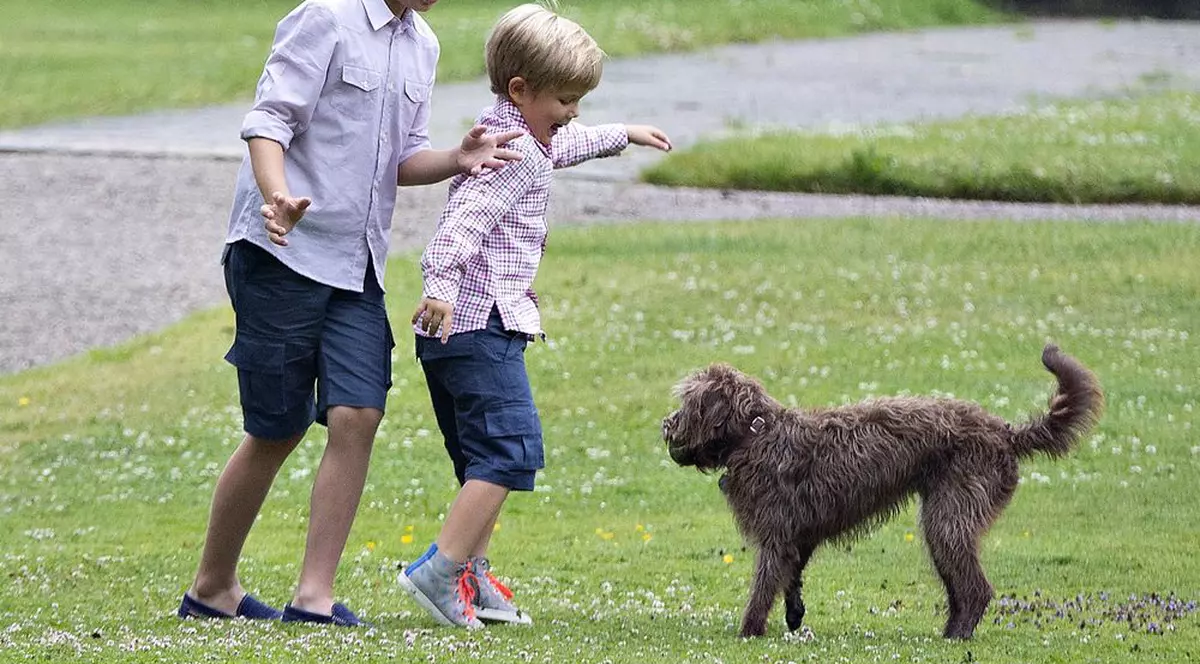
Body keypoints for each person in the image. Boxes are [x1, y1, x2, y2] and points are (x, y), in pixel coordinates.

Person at [178, 0, 524, 627]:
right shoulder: (325, 18)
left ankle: (314, 597)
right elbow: (268, 121)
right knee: (276, 427)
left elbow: (404, 156)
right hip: (280, 252)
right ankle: (212, 585)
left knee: (359, 412)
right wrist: (276, 194)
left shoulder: (424, 44)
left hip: (356, 263)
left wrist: (458, 157)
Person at [397, 3, 672, 628]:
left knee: (482, 461)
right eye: (567, 98)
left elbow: (565, 144)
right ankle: (438, 573)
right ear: (521, 91)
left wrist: (621, 133)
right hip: (476, 326)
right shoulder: (511, 154)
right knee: (511, 452)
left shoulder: (520, 137)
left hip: (460, 332)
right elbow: (457, 228)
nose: (574, 111)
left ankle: (469, 577)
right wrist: (439, 286)